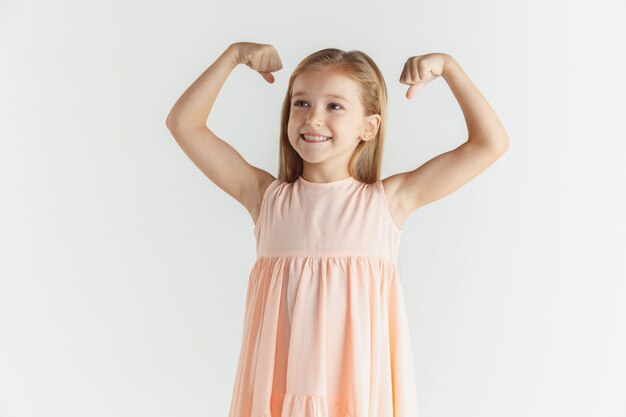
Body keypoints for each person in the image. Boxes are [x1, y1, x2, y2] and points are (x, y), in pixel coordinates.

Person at [165, 41, 508, 417]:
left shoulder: (387, 202)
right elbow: (184, 124)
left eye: (334, 106)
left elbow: (489, 144)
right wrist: (232, 56)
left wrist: (450, 69)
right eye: (301, 103)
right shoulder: (266, 198)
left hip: (356, 397)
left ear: (369, 126)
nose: (312, 118)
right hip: (279, 398)